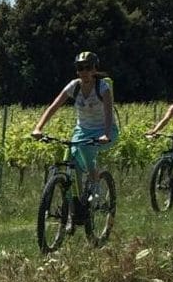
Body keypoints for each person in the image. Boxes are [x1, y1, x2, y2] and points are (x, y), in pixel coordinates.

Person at [28, 51, 119, 202]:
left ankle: (95, 184)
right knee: (70, 161)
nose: (84, 72)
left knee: (85, 148)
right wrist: (38, 128)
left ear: (95, 69)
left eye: (88, 67)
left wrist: (106, 134)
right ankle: (72, 210)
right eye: (80, 68)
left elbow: (109, 114)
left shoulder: (103, 88)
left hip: (104, 130)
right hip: (82, 131)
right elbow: (53, 107)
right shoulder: (73, 86)